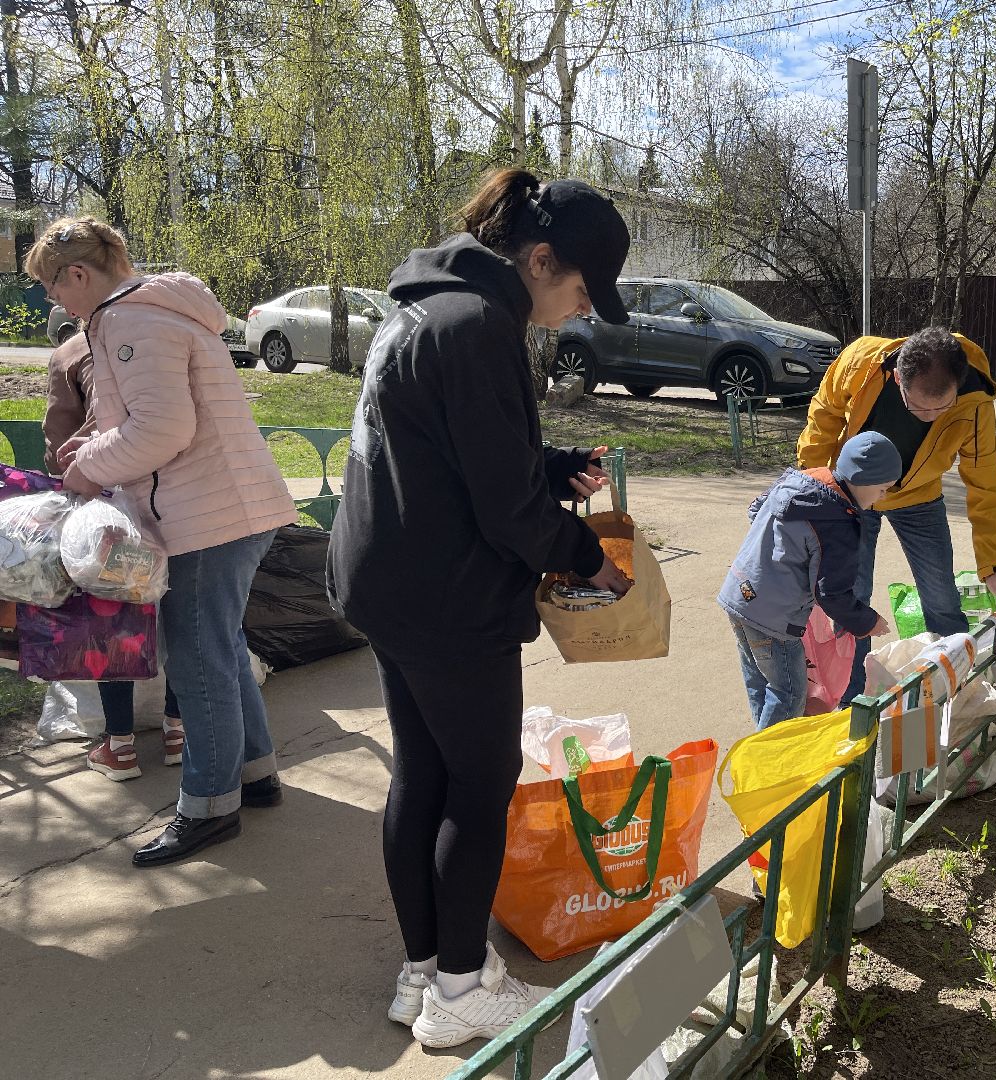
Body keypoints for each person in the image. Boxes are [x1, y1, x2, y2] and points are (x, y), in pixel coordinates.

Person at [327, 169, 634, 1048]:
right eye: (581, 288)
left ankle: (423, 969)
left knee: (421, 775)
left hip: (386, 583)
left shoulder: (427, 309)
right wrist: (591, 561)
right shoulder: (478, 329)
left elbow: (443, 454)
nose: (581, 309)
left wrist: (545, 462)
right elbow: (504, 514)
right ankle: (461, 990)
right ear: (539, 259)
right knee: (480, 785)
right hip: (447, 600)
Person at [26, 217, 297, 866]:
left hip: (205, 516)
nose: (54, 303)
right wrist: (96, 446)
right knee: (222, 647)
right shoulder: (157, 309)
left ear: (79, 275)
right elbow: (160, 419)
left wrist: (88, 467)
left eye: (51, 288)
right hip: (233, 506)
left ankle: (208, 808)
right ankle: (254, 776)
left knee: (198, 660)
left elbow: (164, 427)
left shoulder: (128, 322)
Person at [796, 325, 996, 703]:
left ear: (959, 383)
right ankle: (853, 703)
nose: (931, 417)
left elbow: (985, 483)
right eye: (919, 406)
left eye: (942, 406)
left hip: (919, 498)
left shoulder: (976, 404)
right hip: (852, 495)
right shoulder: (861, 363)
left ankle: (956, 695)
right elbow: (823, 418)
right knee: (850, 599)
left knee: (942, 599)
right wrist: (817, 490)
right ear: (898, 377)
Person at [43, 333, 183, 780]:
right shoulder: (153, 336)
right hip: (174, 500)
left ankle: (118, 746)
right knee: (179, 613)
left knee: (113, 615)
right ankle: (178, 729)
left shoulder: (70, 353)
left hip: (109, 510)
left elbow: (57, 438)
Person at [718, 432, 901, 729]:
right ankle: (772, 763)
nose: (882, 498)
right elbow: (833, 593)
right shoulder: (840, 521)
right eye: (882, 489)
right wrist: (868, 622)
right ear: (863, 480)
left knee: (760, 679)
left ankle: (758, 748)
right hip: (775, 617)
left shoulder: (807, 479)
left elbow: (756, 509)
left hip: (739, 593)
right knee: (789, 692)